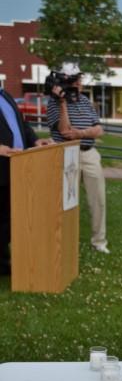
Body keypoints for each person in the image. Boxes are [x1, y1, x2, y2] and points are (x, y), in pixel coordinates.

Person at [46, 62, 109, 254]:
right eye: (76, 80)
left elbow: (99, 130)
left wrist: (81, 133)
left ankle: (99, 241)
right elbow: (65, 130)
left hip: (89, 154)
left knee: (98, 200)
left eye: (79, 80)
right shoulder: (53, 103)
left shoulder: (85, 101)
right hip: (66, 155)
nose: (79, 84)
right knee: (65, 201)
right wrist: (63, 102)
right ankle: (62, 240)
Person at [0, 88, 51, 275]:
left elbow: (21, 124)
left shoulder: (5, 95)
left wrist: (36, 141)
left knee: (7, 220)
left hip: (16, 166)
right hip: (2, 164)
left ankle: (4, 264)